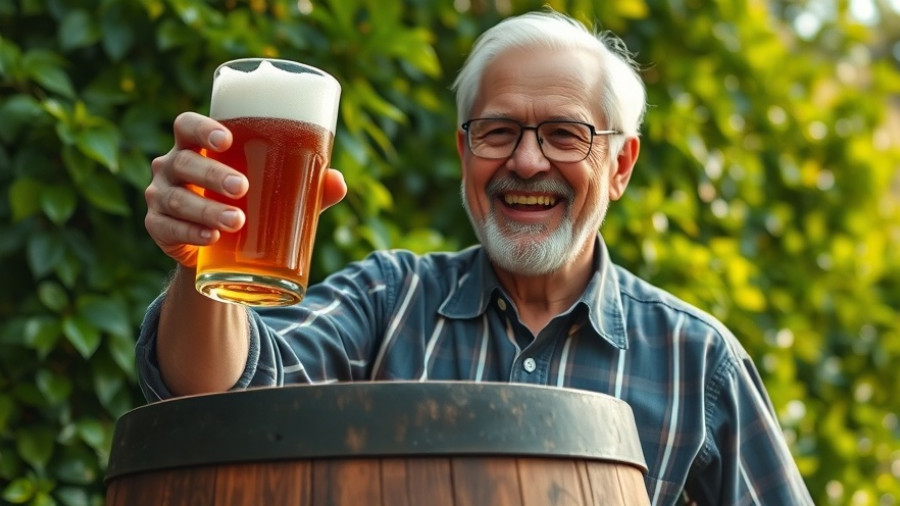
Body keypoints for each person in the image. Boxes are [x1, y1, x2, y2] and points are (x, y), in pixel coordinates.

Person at [138, 9, 813, 506]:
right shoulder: (388, 298)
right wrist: (201, 255)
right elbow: (217, 392)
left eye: (564, 134)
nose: (525, 160)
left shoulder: (696, 360)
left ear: (620, 165)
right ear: (465, 155)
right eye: (498, 131)